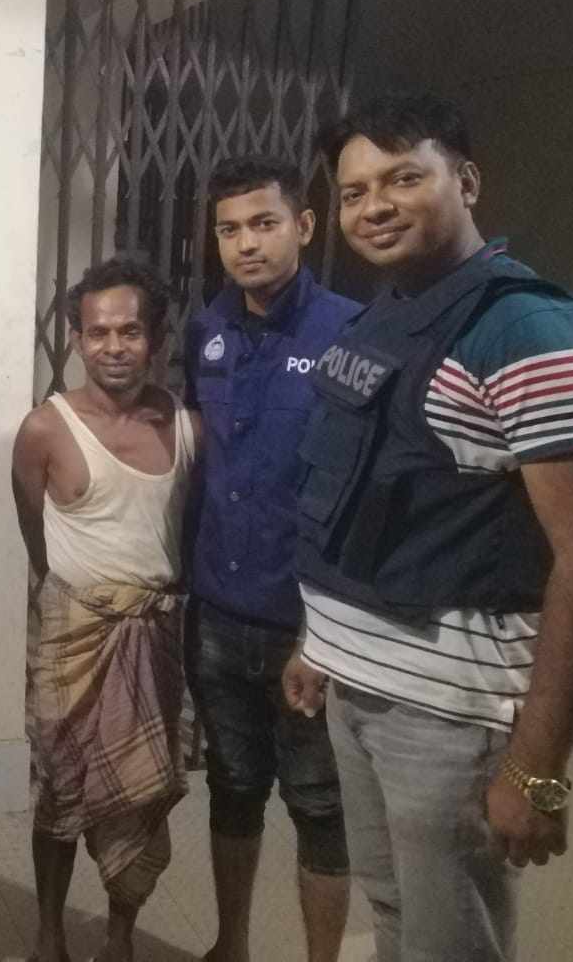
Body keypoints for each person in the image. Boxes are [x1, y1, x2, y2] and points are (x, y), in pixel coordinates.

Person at [283, 93, 573, 962]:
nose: (375, 206)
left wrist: (536, 769)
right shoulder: (384, 315)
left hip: (448, 716)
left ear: (465, 181)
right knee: (394, 914)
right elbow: (355, 503)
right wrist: (317, 643)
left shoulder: (529, 332)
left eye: (404, 178)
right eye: (355, 191)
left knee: (451, 944)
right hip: (355, 690)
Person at [181, 155, 358, 962]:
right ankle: (231, 945)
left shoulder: (348, 332)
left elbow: (357, 491)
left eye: (263, 223)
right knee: (232, 787)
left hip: (307, 624)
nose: (245, 244)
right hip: (218, 614)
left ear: (304, 226)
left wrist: (324, 632)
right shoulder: (207, 330)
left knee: (319, 804)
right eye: (229, 229)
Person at [12, 254, 199, 962]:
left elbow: (186, 529)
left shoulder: (188, 426)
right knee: (59, 788)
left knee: (143, 794)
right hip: (72, 633)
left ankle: (120, 938)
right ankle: (49, 935)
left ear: (156, 338)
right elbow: (32, 530)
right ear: (75, 338)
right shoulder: (44, 429)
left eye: (130, 331)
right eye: (97, 333)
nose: (113, 347)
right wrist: (78, 595)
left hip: (154, 637)